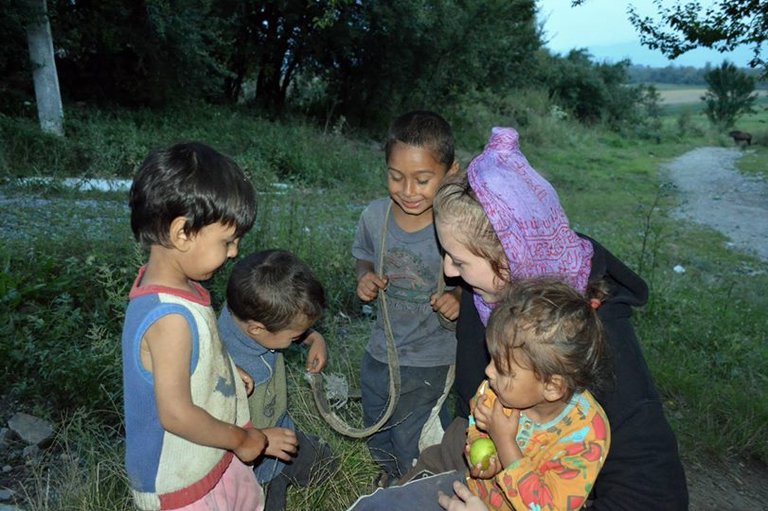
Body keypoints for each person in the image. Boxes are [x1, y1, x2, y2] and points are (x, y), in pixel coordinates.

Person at [426, 127, 689, 509]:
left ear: (512, 259)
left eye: (460, 261)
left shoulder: (589, 341)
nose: (449, 272)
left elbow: (653, 498)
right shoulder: (489, 293)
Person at [122, 142, 266, 510]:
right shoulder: (169, 319)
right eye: (228, 241)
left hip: (205, 460)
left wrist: (226, 371)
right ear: (182, 232)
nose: (234, 252)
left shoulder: (184, 289)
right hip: (179, 481)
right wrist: (239, 439)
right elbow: (177, 415)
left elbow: (192, 357)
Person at [352, 110, 462, 484]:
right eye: (396, 177)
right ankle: (388, 479)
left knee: (412, 434)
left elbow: (475, 276)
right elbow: (363, 255)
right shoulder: (374, 217)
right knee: (376, 423)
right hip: (381, 350)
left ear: (451, 174)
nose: (408, 190)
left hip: (431, 357)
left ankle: (416, 485)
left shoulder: (454, 225)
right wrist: (365, 276)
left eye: (422, 179)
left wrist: (458, 298)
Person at [463, 278, 611, 510]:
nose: (488, 371)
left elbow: (547, 507)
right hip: (477, 498)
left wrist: (504, 441)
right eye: (493, 360)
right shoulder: (498, 390)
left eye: (504, 370)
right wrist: (481, 447)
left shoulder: (585, 435)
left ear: (552, 386)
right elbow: (476, 422)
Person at [218, 249, 336, 511]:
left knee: (326, 464)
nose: (298, 338)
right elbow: (213, 434)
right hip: (251, 467)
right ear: (257, 328)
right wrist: (259, 439)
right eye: (295, 336)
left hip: (282, 430)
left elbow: (283, 323)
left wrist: (314, 338)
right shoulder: (228, 375)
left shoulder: (240, 310)